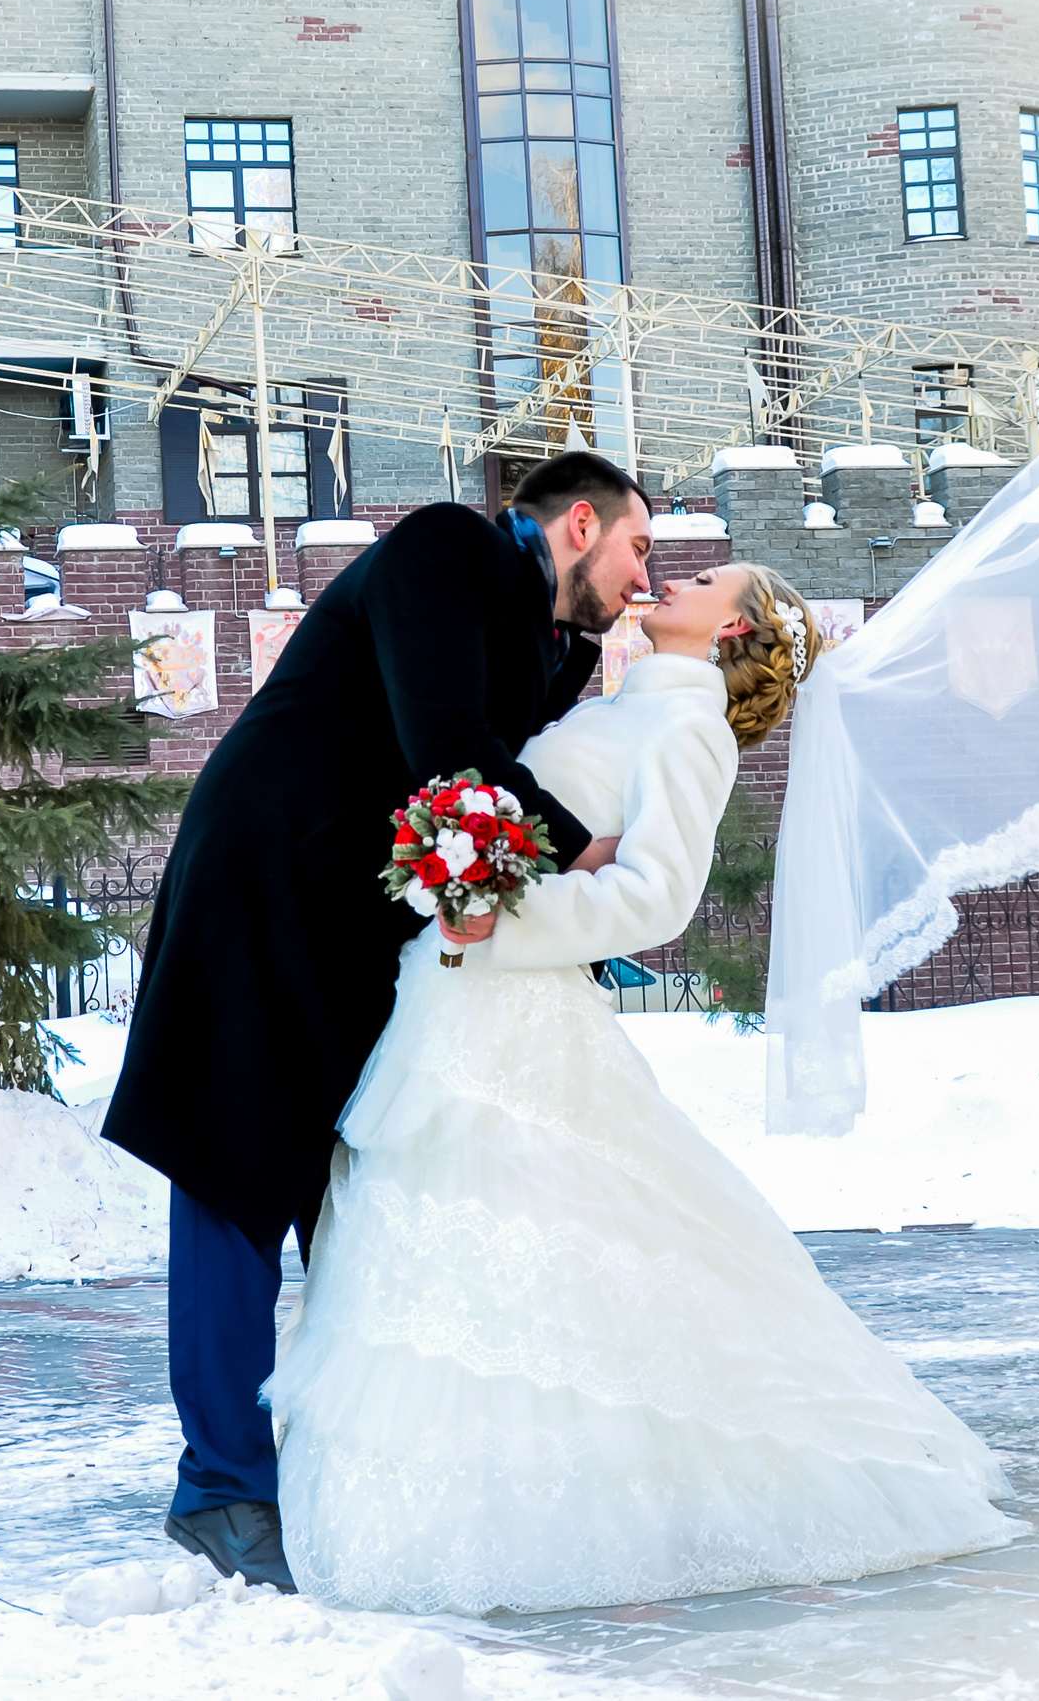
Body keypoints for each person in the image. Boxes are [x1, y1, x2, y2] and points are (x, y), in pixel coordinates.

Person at [265, 562, 1018, 1615]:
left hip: (516, 1014)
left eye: (710, 577)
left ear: (736, 629)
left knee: (538, 1244)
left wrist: (500, 919)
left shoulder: (691, 732)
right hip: (452, 1003)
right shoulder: (618, 705)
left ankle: (586, 1501)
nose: (676, 574)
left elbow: (655, 896)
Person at [102, 452, 657, 1591]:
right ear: (581, 522)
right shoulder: (445, 549)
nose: (645, 578)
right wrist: (580, 853)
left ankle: (325, 1460)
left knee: (345, 1192)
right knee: (233, 1181)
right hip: (264, 879)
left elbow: (498, 767)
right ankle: (220, 1490)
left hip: (363, 922)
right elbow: (446, 743)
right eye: (641, 548)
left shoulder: (562, 650)